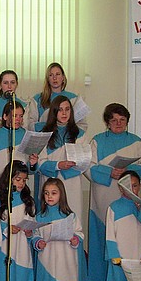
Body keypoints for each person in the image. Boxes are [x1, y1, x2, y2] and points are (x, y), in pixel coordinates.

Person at [85, 103, 141, 281]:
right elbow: (88, 166)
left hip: (128, 196)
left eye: (122, 120)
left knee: (127, 234)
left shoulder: (136, 142)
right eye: (114, 120)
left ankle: (127, 275)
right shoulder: (97, 141)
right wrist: (110, 173)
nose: (118, 123)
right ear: (107, 122)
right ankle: (100, 278)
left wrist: (127, 172)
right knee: (102, 234)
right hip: (103, 196)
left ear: (127, 121)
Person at [31, 178, 85, 281]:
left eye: (54, 193)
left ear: (61, 194)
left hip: (66, 260)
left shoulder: (70, 216)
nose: (49, 196)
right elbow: (35, 235)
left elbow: (79, 233)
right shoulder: (39, 217)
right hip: (46, 261)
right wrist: (38, 242)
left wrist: (75, 239)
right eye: (46, 193)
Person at [38, 95, 88, 234]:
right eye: (60, 110)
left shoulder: (79, 134)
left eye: (67, 109)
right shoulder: (44, 134)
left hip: (72, 185)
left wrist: (69, 169)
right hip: (50, 184)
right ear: (54, 112)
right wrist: (58, 165)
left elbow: (84, 161)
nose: (64, 113)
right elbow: (40, 163)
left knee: (73, 225)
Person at [0, 101, 38, 198]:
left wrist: (33, 164)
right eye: (14, 116)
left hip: (20, 192)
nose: (18, 119)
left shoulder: (27, 136)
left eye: (21, 116)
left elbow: (29, 170)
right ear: (5, 116)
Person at [25, 62, 88, 131]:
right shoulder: (37, 99)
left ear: (63, 77)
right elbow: (30, 126)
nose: (54, 78)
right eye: (51, 75)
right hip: (45, 136)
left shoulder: (74, 99)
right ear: (47, 79)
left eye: (57, 74)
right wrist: (48, 125)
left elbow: (82, 125)